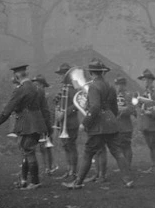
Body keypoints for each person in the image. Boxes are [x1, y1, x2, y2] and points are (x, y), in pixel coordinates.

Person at [62, 59, 133, 189]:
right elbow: (115, 108)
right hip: (111, 123)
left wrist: (85, 123)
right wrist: (111, 118)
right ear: (102, 73)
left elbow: (94, 107)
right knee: (117, 152)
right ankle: (128, 179)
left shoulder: (93, 86)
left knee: (88, 152)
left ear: (91, 73)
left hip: (99, 125)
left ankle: (78, 182)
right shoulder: (110, 86)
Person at [0, 64, 48, 189]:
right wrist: (47, 127)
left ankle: (34, 181)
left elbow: (8, 109)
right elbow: (45, 110)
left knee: (27, 150)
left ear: (17, 76)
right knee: (26, 150)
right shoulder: (37, 88)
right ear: (26, 74)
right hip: (38, 123)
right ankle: (24, 181)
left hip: (26, 124)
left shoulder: (20, 90)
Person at [54, 62, 80, 181]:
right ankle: (69, 169)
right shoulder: (63, 87)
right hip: (62, 122)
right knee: (66, 146)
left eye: (63, 74)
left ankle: (73, 171)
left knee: (71, 146)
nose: (61, 76)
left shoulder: (74, 86)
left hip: (71, 122)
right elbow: (59, 102)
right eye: (60, 74)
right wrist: (58, 111)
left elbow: (77, 103)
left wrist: (64, 113)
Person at [136, 69, 155, 174]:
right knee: (150, 145)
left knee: (154, 145)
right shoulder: (142, 93)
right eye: (144, 80)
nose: (145, 82)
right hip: (145, 123)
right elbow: (140, 106)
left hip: (153, 122)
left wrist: (153, 113)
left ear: (151, 81)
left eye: (147, 80)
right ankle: (154, 165)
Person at [31, 74, 57, 175]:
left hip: (45, 123)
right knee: (40, 147)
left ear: (42, 85)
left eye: (37, 84)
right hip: (35, 123)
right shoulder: (33, 95)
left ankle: (48, 168)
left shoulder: (48, 96)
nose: (35, 86)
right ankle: (42, 167)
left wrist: (49, 125)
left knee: (47, 146)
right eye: (34, 84)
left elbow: (50, 111)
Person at [114, 76, 136, 168]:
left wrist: (120, 110)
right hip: (117, 125)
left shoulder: (128, 95)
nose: (118, 87)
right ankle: (123, 166)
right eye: (117, 85)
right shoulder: (114, 95)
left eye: (119, 85)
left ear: (123, 85)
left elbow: (131, 109)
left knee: (126, 146)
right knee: (119, 147)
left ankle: (127, 166)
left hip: (126, 125)